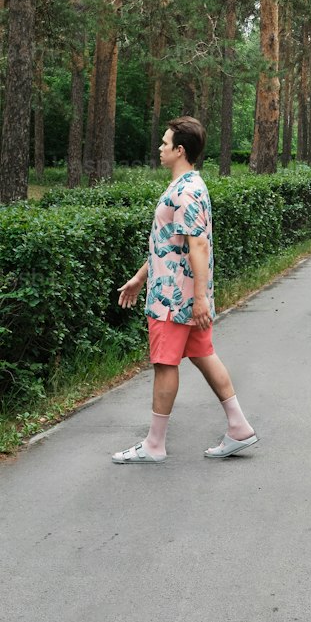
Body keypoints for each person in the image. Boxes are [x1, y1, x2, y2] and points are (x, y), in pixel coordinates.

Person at [112, 117, 258, 464]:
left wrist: (201, 299)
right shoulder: (188, 186)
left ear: (180, 150)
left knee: (165, 364)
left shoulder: (186, 190)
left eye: (165, 143)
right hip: (178, 294)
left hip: (173, 299)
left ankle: (154, 445)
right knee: (204, 355)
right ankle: (239, 427)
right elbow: (170, 245)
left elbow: (198, 246)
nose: (160, 148)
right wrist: (139, 278)